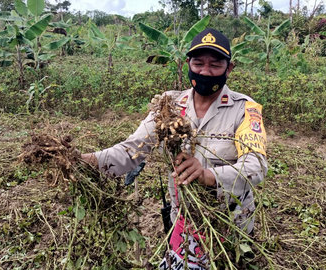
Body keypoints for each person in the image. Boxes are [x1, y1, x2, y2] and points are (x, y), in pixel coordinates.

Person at [80, 28, 268, 268]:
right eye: (198, 63)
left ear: (229, 69)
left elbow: (256, 165)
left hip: (229, 223)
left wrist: (208, 175)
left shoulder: (244, 109)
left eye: (215, 65)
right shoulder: (168, 106)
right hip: (184, 219)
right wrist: (89, 161)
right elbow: (133, 149)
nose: (205, 72)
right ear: (188, 63)